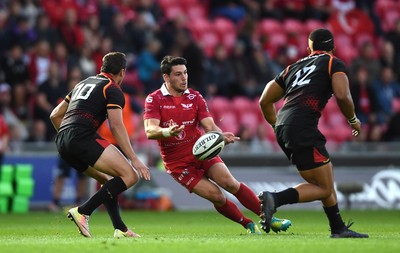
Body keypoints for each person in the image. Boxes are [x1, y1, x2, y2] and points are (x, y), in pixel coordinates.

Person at [143, 55, 292, 235]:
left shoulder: (195, 97)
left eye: (185, 73)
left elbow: (210, 126)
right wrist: (167, 132)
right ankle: (248, 224)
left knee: (230, 183)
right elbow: (150, 131)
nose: (184, 78)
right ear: (166, 77)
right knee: (216, 196)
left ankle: (269, 218)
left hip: (201, 152)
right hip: (178, 163)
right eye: (178, 74)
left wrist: (220, 137)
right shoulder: (154, 99)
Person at [258, 28, 369, 238]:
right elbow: (343, 95)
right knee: (323, 187)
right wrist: (353, 120)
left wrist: (277, 126)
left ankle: (338, 228)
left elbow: (265, 100)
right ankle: (275, 199)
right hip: (302, 126)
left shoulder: (292, 67)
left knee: (325, 174)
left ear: (309, 47)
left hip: (285, 124)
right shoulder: (333, 62)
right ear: (333, 47)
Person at [50, 52, 150, 238]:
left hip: (62, 140)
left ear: (102, 67)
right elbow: (116, 125)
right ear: (122, 71)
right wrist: (134, 159)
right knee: (130, 175)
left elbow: (55, 115)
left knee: (107, 180)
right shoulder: (112, 89)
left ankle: (120, 229)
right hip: (82, 137)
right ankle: (83, 211)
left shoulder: (83, 83)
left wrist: (67, 137)